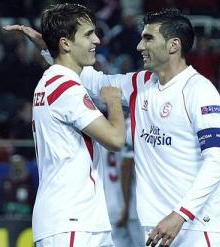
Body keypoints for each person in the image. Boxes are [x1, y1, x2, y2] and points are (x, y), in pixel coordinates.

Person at [5, 8, 220, 246]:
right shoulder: (141, 84)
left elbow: (216, 160)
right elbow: (94, 82)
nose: (139, 47)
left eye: (148, 38)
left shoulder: (199, 91)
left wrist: (182, 213)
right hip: (157, 227)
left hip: (195, 226)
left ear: (173, 45)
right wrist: (51, 47)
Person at [29, 3, 125, 247]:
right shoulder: (65, 88)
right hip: (71, 221)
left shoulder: (54, 81)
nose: (97, 40)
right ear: (65, 43)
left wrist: (45, 46)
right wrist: (113, 100)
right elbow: (115, 139)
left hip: (79, 220)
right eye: (88, 34)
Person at [99, 117, 143, 247]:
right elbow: (126, 166)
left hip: (107, 205)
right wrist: (125, 205)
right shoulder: (130, 125)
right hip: (130, 206)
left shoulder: (99, 128)